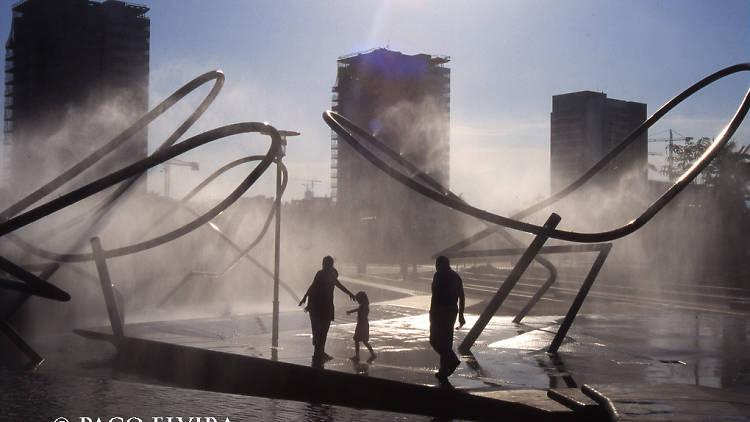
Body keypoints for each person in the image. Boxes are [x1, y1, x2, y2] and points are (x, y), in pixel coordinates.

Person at [299, 255, 356, 363]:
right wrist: (350, 294)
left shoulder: (325, 274)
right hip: (323, 307)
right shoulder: (327, 275)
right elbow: (338, 286)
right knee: (322, 332)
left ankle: (319, 353)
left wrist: (305, 299)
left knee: (319, 332)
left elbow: (313, 287)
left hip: (318, 307)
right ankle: (319, 353)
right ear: (330, 265)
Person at [429, 255, 465, 383]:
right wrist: (461, 314)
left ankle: (452, 362)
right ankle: (444, 369)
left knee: (434, 340)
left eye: (436, 264)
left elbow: (435, 294)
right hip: (451, 312)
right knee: (446, 340)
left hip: (439, 311)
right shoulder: (456, 276)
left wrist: (432, 312)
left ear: (439, 264)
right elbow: (462, 296)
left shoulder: (438, 275)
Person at [347, 291, 377, 362]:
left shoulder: (364, 306)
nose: (358, 301)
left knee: (358, 340)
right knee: (363, 341)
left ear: (362, 299)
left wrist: (351, 312)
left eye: (358, 300)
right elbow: (358, 309)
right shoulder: (364, 305)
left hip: (361, 325)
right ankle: (372, 353)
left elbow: (360, 312)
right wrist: (351, 311)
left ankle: (358, 356)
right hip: (364, 324)